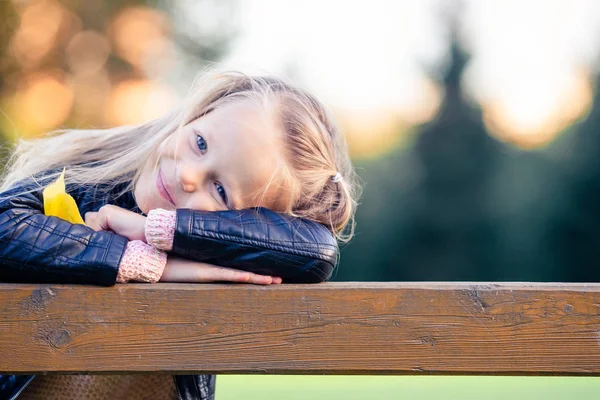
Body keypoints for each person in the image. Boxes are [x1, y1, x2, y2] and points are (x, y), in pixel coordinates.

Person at [0, 70, 361, 400]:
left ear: (248, 227)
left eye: (220, 191)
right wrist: (145, 261)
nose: (188, 175)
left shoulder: (231, 250)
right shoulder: (89, 176)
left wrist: (155, 230)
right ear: (196, 114)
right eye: (200, 143)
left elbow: (318, 252)